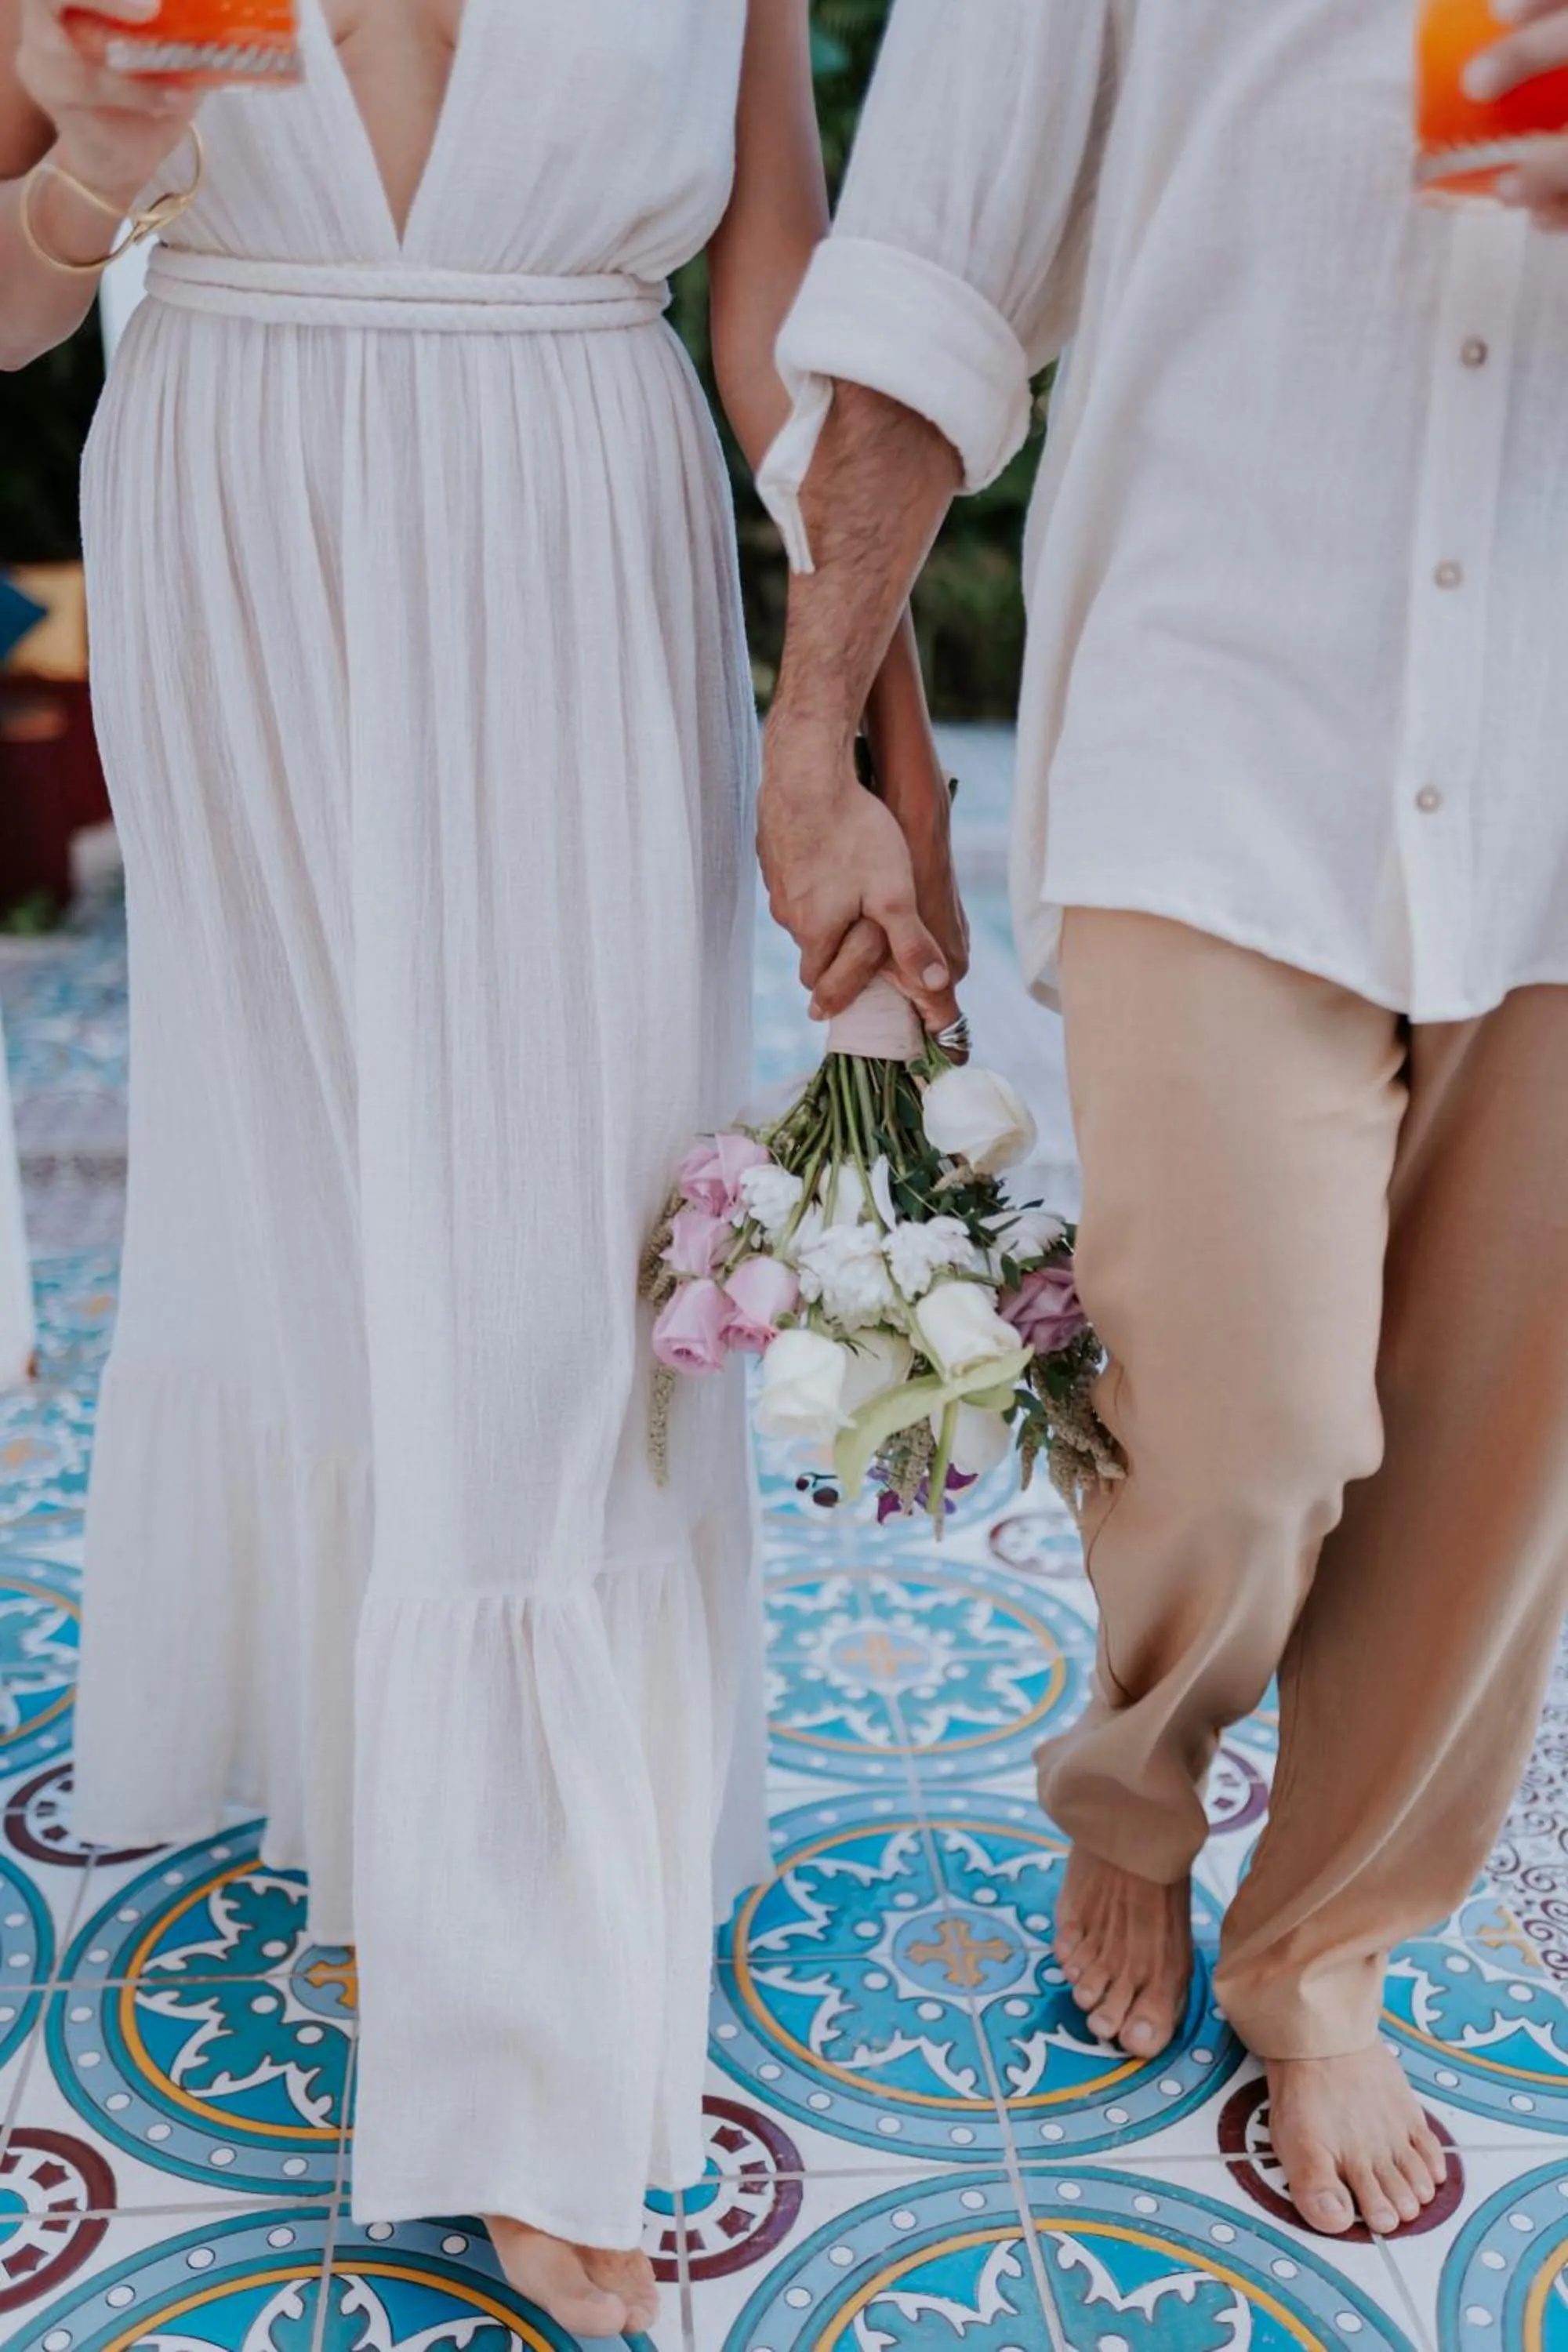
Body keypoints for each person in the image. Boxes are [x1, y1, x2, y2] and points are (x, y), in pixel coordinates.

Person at [0, 0, 966, 2334]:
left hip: (570, 528)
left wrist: (857, 736)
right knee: (340, 1206)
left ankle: (540, 2040)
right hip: (237, 517)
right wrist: (86, 167)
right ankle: (379, 1782)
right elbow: (13, 278)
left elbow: (775, 316)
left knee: (564, 1265)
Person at [758, 0, 1568, 2243]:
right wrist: (819, 727)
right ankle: (1138, 1776)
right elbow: (933, 250)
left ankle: (1326, 1948)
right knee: (1244, 1417)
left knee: (1504, 1442)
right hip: (1220, 712)